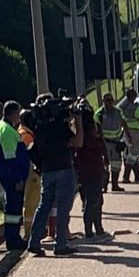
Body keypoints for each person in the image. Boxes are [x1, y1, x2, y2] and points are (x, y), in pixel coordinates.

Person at [27, 94, 84, 256]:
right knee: (63, 208)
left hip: (47, 171)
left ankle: (34, 242)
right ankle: (60, 245)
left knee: (44, 206)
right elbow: (78, 142)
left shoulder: (38, 127)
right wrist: (77, 119)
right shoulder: (60, 126)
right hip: (64, 169)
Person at [0, 101, 29, 251]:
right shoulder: (7, 131)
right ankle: (13, 239)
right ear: (12, 114)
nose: (19, 118)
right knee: (14, 208)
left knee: (13, 207)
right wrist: (18, 179)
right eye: (17, 114)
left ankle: (13, 237)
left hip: (7, 174)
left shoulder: (0, 126)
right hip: (12, 176)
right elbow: (11, 159)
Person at [74, 106, 109, 240]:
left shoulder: (83, 128)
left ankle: (98, 228)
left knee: (96, 199)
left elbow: (101, 142)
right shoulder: (84, 130)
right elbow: (99, 144)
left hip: (87, 168)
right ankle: (90, 230)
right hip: (90, 167)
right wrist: (105, 158)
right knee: (92, 200)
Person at [17, 109, 41, 239]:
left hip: (28, 173)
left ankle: (31, 232)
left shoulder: (22, 132)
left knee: (32, 203)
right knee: (32, 203)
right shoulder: (26, 135)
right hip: (31, 173)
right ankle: (29, 233)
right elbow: (31, 155)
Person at [95, 93, 125, 191]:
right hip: (104, 143)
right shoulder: (99, 113)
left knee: (116, 165)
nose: (110, 102)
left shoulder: (118, 112)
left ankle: (115, 185)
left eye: (111, 100)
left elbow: (124, 123)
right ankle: (104, 186)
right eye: (107, 100)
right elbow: (95, 128)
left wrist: (128, 137)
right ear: (103, 101)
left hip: (116, 142)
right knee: (104, 165)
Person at [119, 88, 139, 183]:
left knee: (130, 154)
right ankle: (126, 176)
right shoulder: (135, 107)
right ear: (134, 96)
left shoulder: (122, 106)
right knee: (133, 154)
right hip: (134, 132)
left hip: (126, 131)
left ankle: (137, 175)